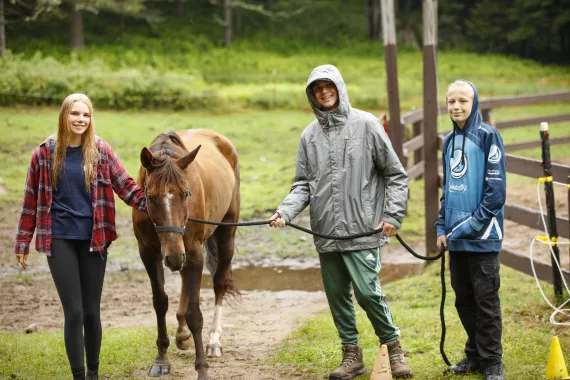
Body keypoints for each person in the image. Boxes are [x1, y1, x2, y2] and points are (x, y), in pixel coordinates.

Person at [269, 64, 412, 379]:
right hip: (325, 232)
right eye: (317, 88)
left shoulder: (367, 124)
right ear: (312, 95)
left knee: (367, 293)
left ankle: (394, 348)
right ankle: (352, 356)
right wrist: (285, 211)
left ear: (339, 87)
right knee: (337, 297)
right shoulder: (309, 136)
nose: (323, 91)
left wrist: (392, 215)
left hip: (362, 229)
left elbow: (395, 174)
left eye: (328, 85)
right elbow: (303, 184)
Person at [14, 93, 147, 380]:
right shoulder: (43, 154)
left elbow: (127, 187)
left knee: (91, 312)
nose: (80, 120)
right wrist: (22, 241)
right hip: (59, 239)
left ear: (91, 119)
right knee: (73, 312)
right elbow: (29, 201)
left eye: (85, 115)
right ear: (64, 116)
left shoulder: (100, 151)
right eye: (75, 114)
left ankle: (93, 373)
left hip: (94, 239)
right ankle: (78, 376)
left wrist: (159, 205)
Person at [435, 80, 506, 380]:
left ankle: (493, 363)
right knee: (463, 299)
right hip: (456, 240)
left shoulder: (489, 137)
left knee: (485, 301)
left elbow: (495, 193)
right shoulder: (449, 142)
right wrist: (442, 226)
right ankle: (475, 355)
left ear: (473, 102)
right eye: (451, 101)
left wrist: (470, 226)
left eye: (462, 101)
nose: (456, 106)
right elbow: (448, 190)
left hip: (483, 238)